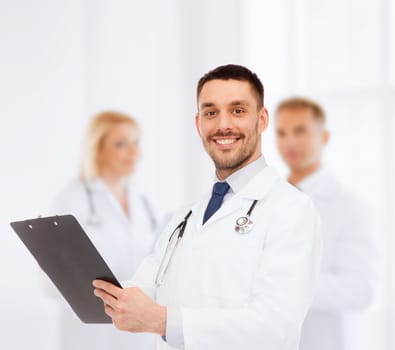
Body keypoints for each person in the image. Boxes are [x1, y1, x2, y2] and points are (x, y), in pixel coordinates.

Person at [92, 64, 323, 350]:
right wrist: (85, 280)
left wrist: (164, 321)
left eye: (237, 110)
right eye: (211, 112)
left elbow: (275, 327)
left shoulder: (291, 209)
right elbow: (145, 289)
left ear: (261, 120)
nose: (223, 124)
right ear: (198, 123)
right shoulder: (186, 216)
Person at [44, 111, 160, 350]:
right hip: (90, 335)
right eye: (121, 144)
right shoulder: (71, 200)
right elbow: (51, 278)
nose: (133, 152)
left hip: (140, 332)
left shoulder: (144, 202)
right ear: (98, 149)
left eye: (136, 143)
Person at [275, 97, 378, 350]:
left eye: (300, 131)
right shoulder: (267, 199)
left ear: (324, 137)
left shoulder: (349, 207)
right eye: (281, 133)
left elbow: (360, 289)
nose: (290, 142)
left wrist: (288, 286)